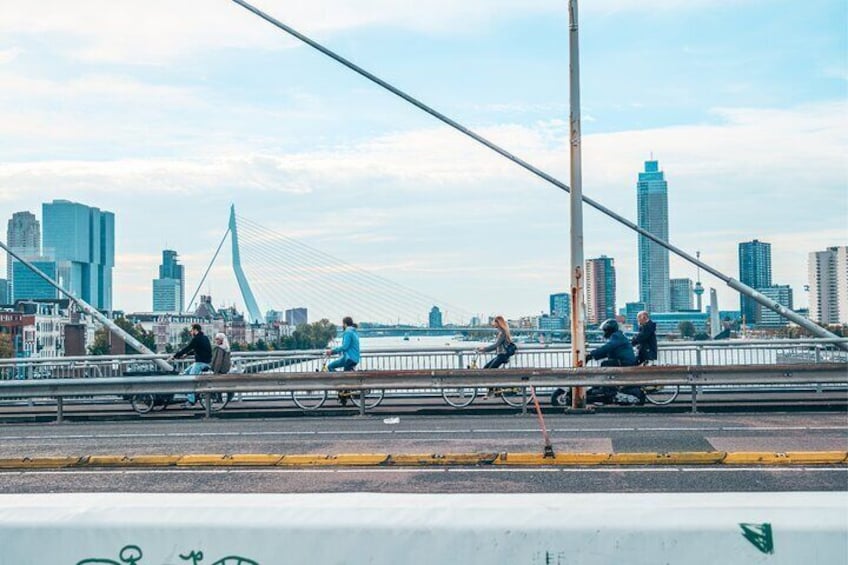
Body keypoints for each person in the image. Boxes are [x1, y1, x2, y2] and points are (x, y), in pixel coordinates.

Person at [585, 318, 644, 405]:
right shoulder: (618, 336)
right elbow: (608, 351)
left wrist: (591, 355)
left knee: (605, 364)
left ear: (609, 330)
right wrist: (593, 356)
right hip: (624, 362)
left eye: (605, 331)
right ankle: (601, 387)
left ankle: (606, 388)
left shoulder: (616, 336)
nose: (604, 333)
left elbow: (608, 347)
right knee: (607, 364)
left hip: (624, 363)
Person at [171, 323, 212, 406]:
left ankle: (191, 400)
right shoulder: (204, 338)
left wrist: (175, 356)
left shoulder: (196, 339)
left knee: (190, 379)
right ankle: (191, 394)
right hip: (205, 362)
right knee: (184, 374)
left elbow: (187, 348)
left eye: (191, 330)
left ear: (195, 330)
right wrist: (187, 355)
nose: (190, 332)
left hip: (200, 363)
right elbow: (199, 349)